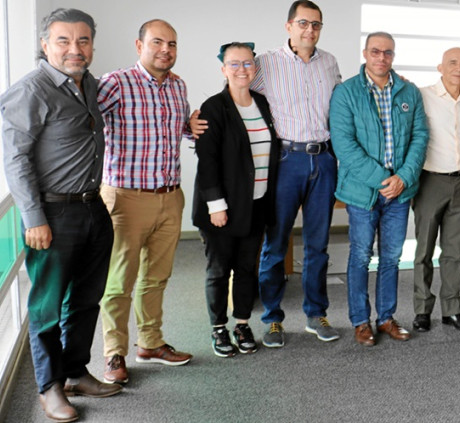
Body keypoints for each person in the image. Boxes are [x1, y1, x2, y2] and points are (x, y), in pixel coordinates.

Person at [1, 8, 122, 421]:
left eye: (83, 40)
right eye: (64, 41)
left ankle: (75, 371)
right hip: (51, 215)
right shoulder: (31, 90)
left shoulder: (88, 83)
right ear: (44, 44)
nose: (75, 49)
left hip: (93, 207)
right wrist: (33, 217)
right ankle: (49, 387)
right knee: (46, 307)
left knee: (87, 300)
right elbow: (15, 159)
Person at [96, 18, 196, 385]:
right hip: (125, 198)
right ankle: (113, 353)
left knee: (156, 277)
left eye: (172, 44)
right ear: (139, 46)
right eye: (157, 42)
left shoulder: (178, 85)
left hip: (170, 196)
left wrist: (193, 125)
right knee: (120, 281)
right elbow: (83, 120)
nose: (165, 50)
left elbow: (179, 127)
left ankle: (151, 343)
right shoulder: (116, 83)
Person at [252, 0, 342, 348]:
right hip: (286, 160)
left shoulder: (329, 62)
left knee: (318, 245)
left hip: (323, 160)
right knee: (275, 245)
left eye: (316, 24)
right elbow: (237, 91)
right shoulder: (266, 63)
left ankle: (316, 313)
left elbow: (343, 103)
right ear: (288, 26)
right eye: (303, 23)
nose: (310, 30)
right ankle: (273, 319)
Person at [329, 32, 428, 346]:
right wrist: (383, 180)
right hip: (363, 192)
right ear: (365, 53)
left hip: (399, 193)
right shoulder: (346, 93)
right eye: (375, 51)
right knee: (360, 257)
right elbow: (344, 146)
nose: (381, 57)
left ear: (393, 56)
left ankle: (385, 318)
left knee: (392, 258)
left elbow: (420, 137)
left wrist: (403, 177)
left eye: (387, 52)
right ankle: (360, 321)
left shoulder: (409, 92)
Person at [192, 42, 280, 357]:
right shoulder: (214, 107)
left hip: (256, 203)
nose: (242, 69)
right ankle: (218, 329)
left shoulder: (263, 103)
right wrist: (216, 206)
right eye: (234, 63)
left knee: (246, 268)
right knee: (219, 270)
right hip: (222, 209)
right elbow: (207, 161)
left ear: (254, 68)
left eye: (247, 63)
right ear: (223, 69)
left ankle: (242, 323)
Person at [412, 47, 460, 333]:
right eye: (453, 63)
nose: (459, 68)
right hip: (430, 180)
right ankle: (422, 309)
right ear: (440, 67)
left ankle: (452, 309)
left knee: (455, 252)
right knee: (423, 251)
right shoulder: (423, 95)